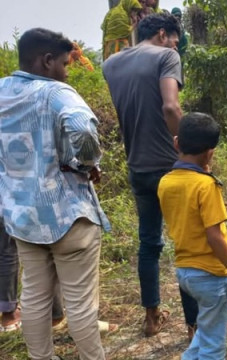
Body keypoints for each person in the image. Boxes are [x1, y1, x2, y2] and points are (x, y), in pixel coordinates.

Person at [0, 28, 110, 359]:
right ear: (47, 61)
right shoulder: (55, 92)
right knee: (79, 302)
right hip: (67, 214)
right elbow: (81, 128)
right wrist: (87, 162)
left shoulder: (3, 91)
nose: (65, 71)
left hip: (21, 216)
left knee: (34, 296)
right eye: (64, 63)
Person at [103, 13, 188, 337]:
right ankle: (196, 326)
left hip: (137, 166)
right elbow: (170, 107)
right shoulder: (167, 56)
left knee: (149, 243)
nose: (176, 46)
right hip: (171, 164)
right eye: (176, 40)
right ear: (164, 34)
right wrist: (189, 149)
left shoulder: (111, 63)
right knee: (187, 242)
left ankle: (152, 317)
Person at [158, 112, 227, 359]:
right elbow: (214, 236)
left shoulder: (165, 182)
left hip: (185, 272)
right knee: (213, 346)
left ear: (177, 143)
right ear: (210, 152)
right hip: (209, 273)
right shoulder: (206, 185)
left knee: (220, 312)